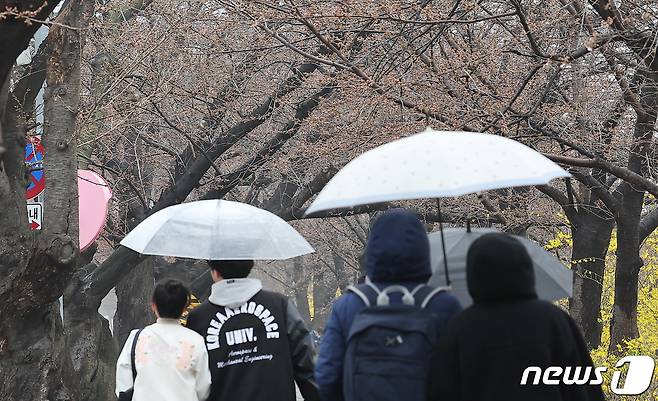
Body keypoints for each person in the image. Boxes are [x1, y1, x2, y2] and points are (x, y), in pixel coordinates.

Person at [429, 233, 605, 401]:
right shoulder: (554, 320)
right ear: (526, 268)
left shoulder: (459, 329)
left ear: (474, 273)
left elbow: (442, 392)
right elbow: (584, 387)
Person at [315, 208, 462, 401]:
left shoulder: (349, 305)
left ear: (373, 249)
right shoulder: (443, 305)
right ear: (422, 249)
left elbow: (326, 376)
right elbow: (462, 374)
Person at [185, 259, 319, 401]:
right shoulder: (279, 305)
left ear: (214, 272)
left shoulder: (198, 318)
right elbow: (306, 365)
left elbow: (191, 375)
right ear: (250, 266)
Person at [116, 279, 211, 401]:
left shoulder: (137, 337)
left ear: (153, 305)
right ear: (184, 308)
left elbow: (124, 382)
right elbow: (203, 388)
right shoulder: (195, 341)